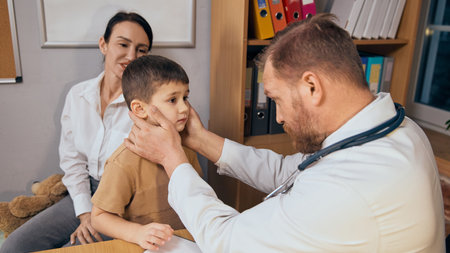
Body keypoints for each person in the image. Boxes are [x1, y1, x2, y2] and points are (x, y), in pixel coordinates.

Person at [124, 13, 446, 252]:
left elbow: (226, 240)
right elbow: (287, 171)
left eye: (276, 99)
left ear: (311, 87)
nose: (277, 117)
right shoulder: (398, 129)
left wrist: (172, 159)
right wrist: (200, 140)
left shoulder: (349, 190)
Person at [0, 11, 167, 253]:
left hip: (120, 201)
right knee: (13, 246)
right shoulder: (78, 95)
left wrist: (99, 215)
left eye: (141, 50)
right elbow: (73, 160)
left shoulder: (147, 106)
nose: (131, 56)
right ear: (104, 45)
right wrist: (85, 212)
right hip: (83, 191)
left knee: (72, 249)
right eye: (123, 44)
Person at [90, 55, 203, 251]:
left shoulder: (187, 150)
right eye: (173, 100)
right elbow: (99, 218)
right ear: (140, 109)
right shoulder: (123, 162)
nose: (184, 108)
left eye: (185, 97)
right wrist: (137, 233)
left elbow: (197, 197)